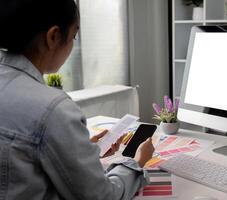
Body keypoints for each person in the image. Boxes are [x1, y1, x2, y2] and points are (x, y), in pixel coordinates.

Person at [0, 0, 155, 199]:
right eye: (73, 36)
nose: (73, 44)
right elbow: (102, 196)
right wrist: (136, 163)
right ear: (53, 36)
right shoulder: (52, 110)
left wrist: (79, 150)